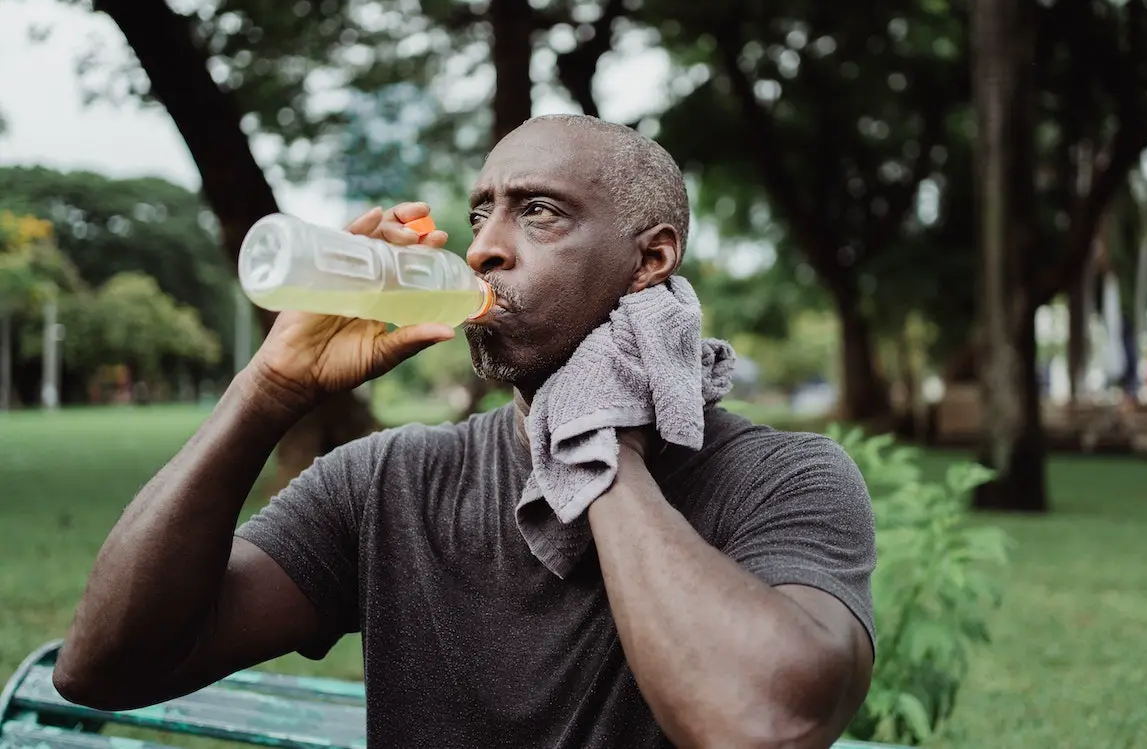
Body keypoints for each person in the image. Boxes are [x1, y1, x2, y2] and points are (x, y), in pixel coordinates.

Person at [53, 115, 878, 749]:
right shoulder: (389, 480)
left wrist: (596, 440)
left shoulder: (783, 479)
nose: (483, 247)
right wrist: (265, 392)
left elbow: (761, 721)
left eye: (539, 213)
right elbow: (102, 669)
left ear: (649, 260)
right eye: (481, 213)